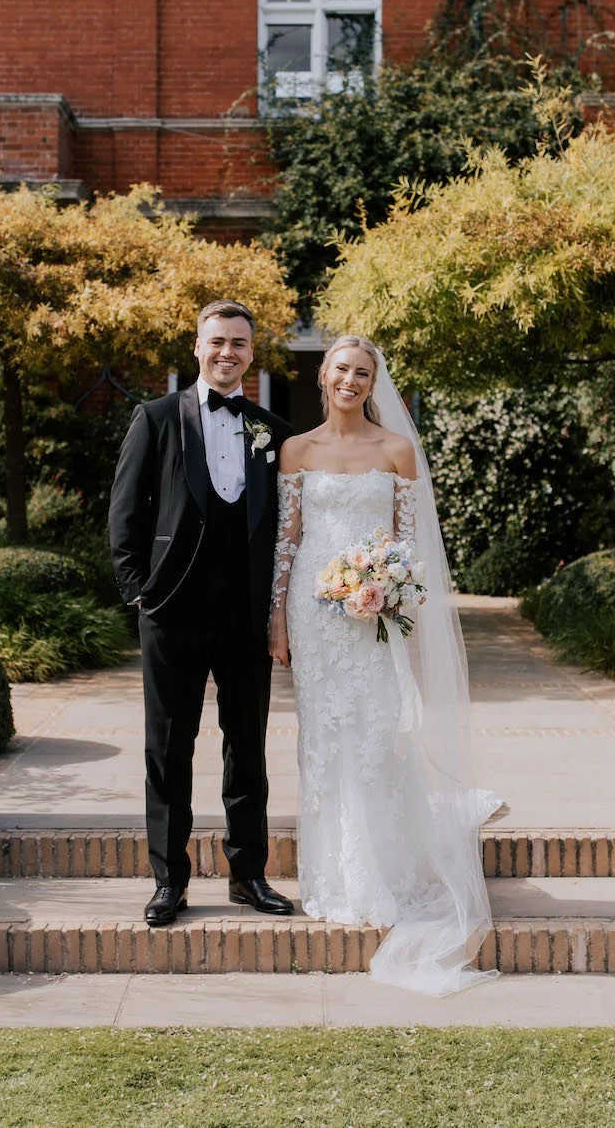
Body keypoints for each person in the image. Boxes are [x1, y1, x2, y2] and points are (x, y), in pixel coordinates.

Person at [268, 334, 500, 995]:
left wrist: (394, 597)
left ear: (374, 383)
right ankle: (333, 877)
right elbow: (288, 541)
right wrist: (277, 616)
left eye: (362, 373)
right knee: (325, 741)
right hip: (313, 616)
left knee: (375, 738)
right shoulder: (295, 449)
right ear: (324, 374)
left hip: (373, 614)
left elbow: (408, 544)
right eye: (341, 368)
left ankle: (383, 875)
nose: (351, 380)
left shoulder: (398, 450)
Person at [108, 300, 296, 928]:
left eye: (238, 343)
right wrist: (140, 592)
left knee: (248, 747)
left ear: (251, 354)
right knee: (168, 749)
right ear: (197, 347)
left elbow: (284, 523)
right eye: (217, 341)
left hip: (245, 614)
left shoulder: (272, 429)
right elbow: (125, 513)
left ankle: (248, 875)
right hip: (173, 610)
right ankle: (169, 881)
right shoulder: (157, 417)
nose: (227, 353)